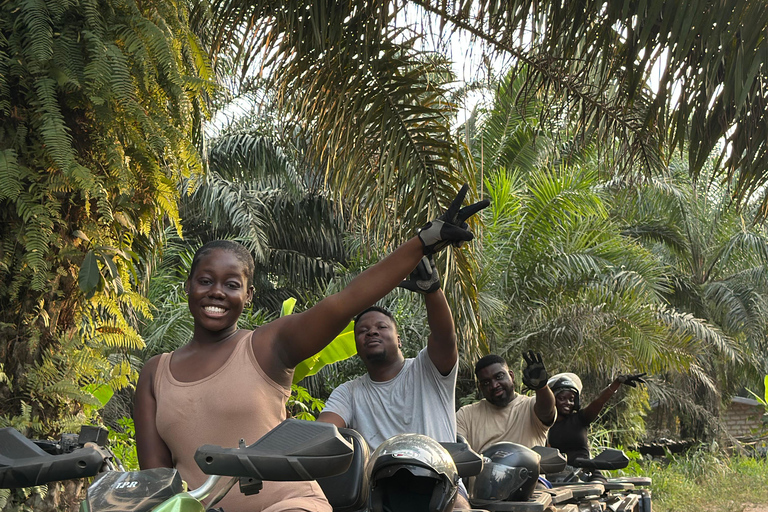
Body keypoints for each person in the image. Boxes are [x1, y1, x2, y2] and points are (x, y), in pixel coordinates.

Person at [133, 185, 489, 512]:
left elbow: (344, 302)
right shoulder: (155, 373)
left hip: (290, 504)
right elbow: (156, 484)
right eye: (205, 281)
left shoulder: (268, 346)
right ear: (188, 286)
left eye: (231, 284)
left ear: (249, 295)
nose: (216, 292)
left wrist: (422, 243)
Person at [317, 254, 471, 509]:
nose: (372, 331)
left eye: (381, 327)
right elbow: (324, 433)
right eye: (363, 331)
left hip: (443, 486)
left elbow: (445, 337)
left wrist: (432, 291)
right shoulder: (348, 392)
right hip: (379, 493)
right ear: (356, 346)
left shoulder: (427, 369)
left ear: (399, 340)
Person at [546, 371, 647, 481]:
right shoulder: (543, 426)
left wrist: (617, 383)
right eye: (562, 398)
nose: (568, 403)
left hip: (586, 473)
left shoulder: (580, 418)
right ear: (552, 399)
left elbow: (599, 401)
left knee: (597, 486)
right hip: (555, 476)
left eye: (571, 399)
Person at [456, 352, 556, 454]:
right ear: (481, 387)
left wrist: (542, 388)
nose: (494, 385)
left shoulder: (530, 406)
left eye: (499, 377)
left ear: (511, 376)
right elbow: (457, 450)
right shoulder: (466, 414)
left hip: (529, 464)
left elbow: (547, 411)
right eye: (486, 382)